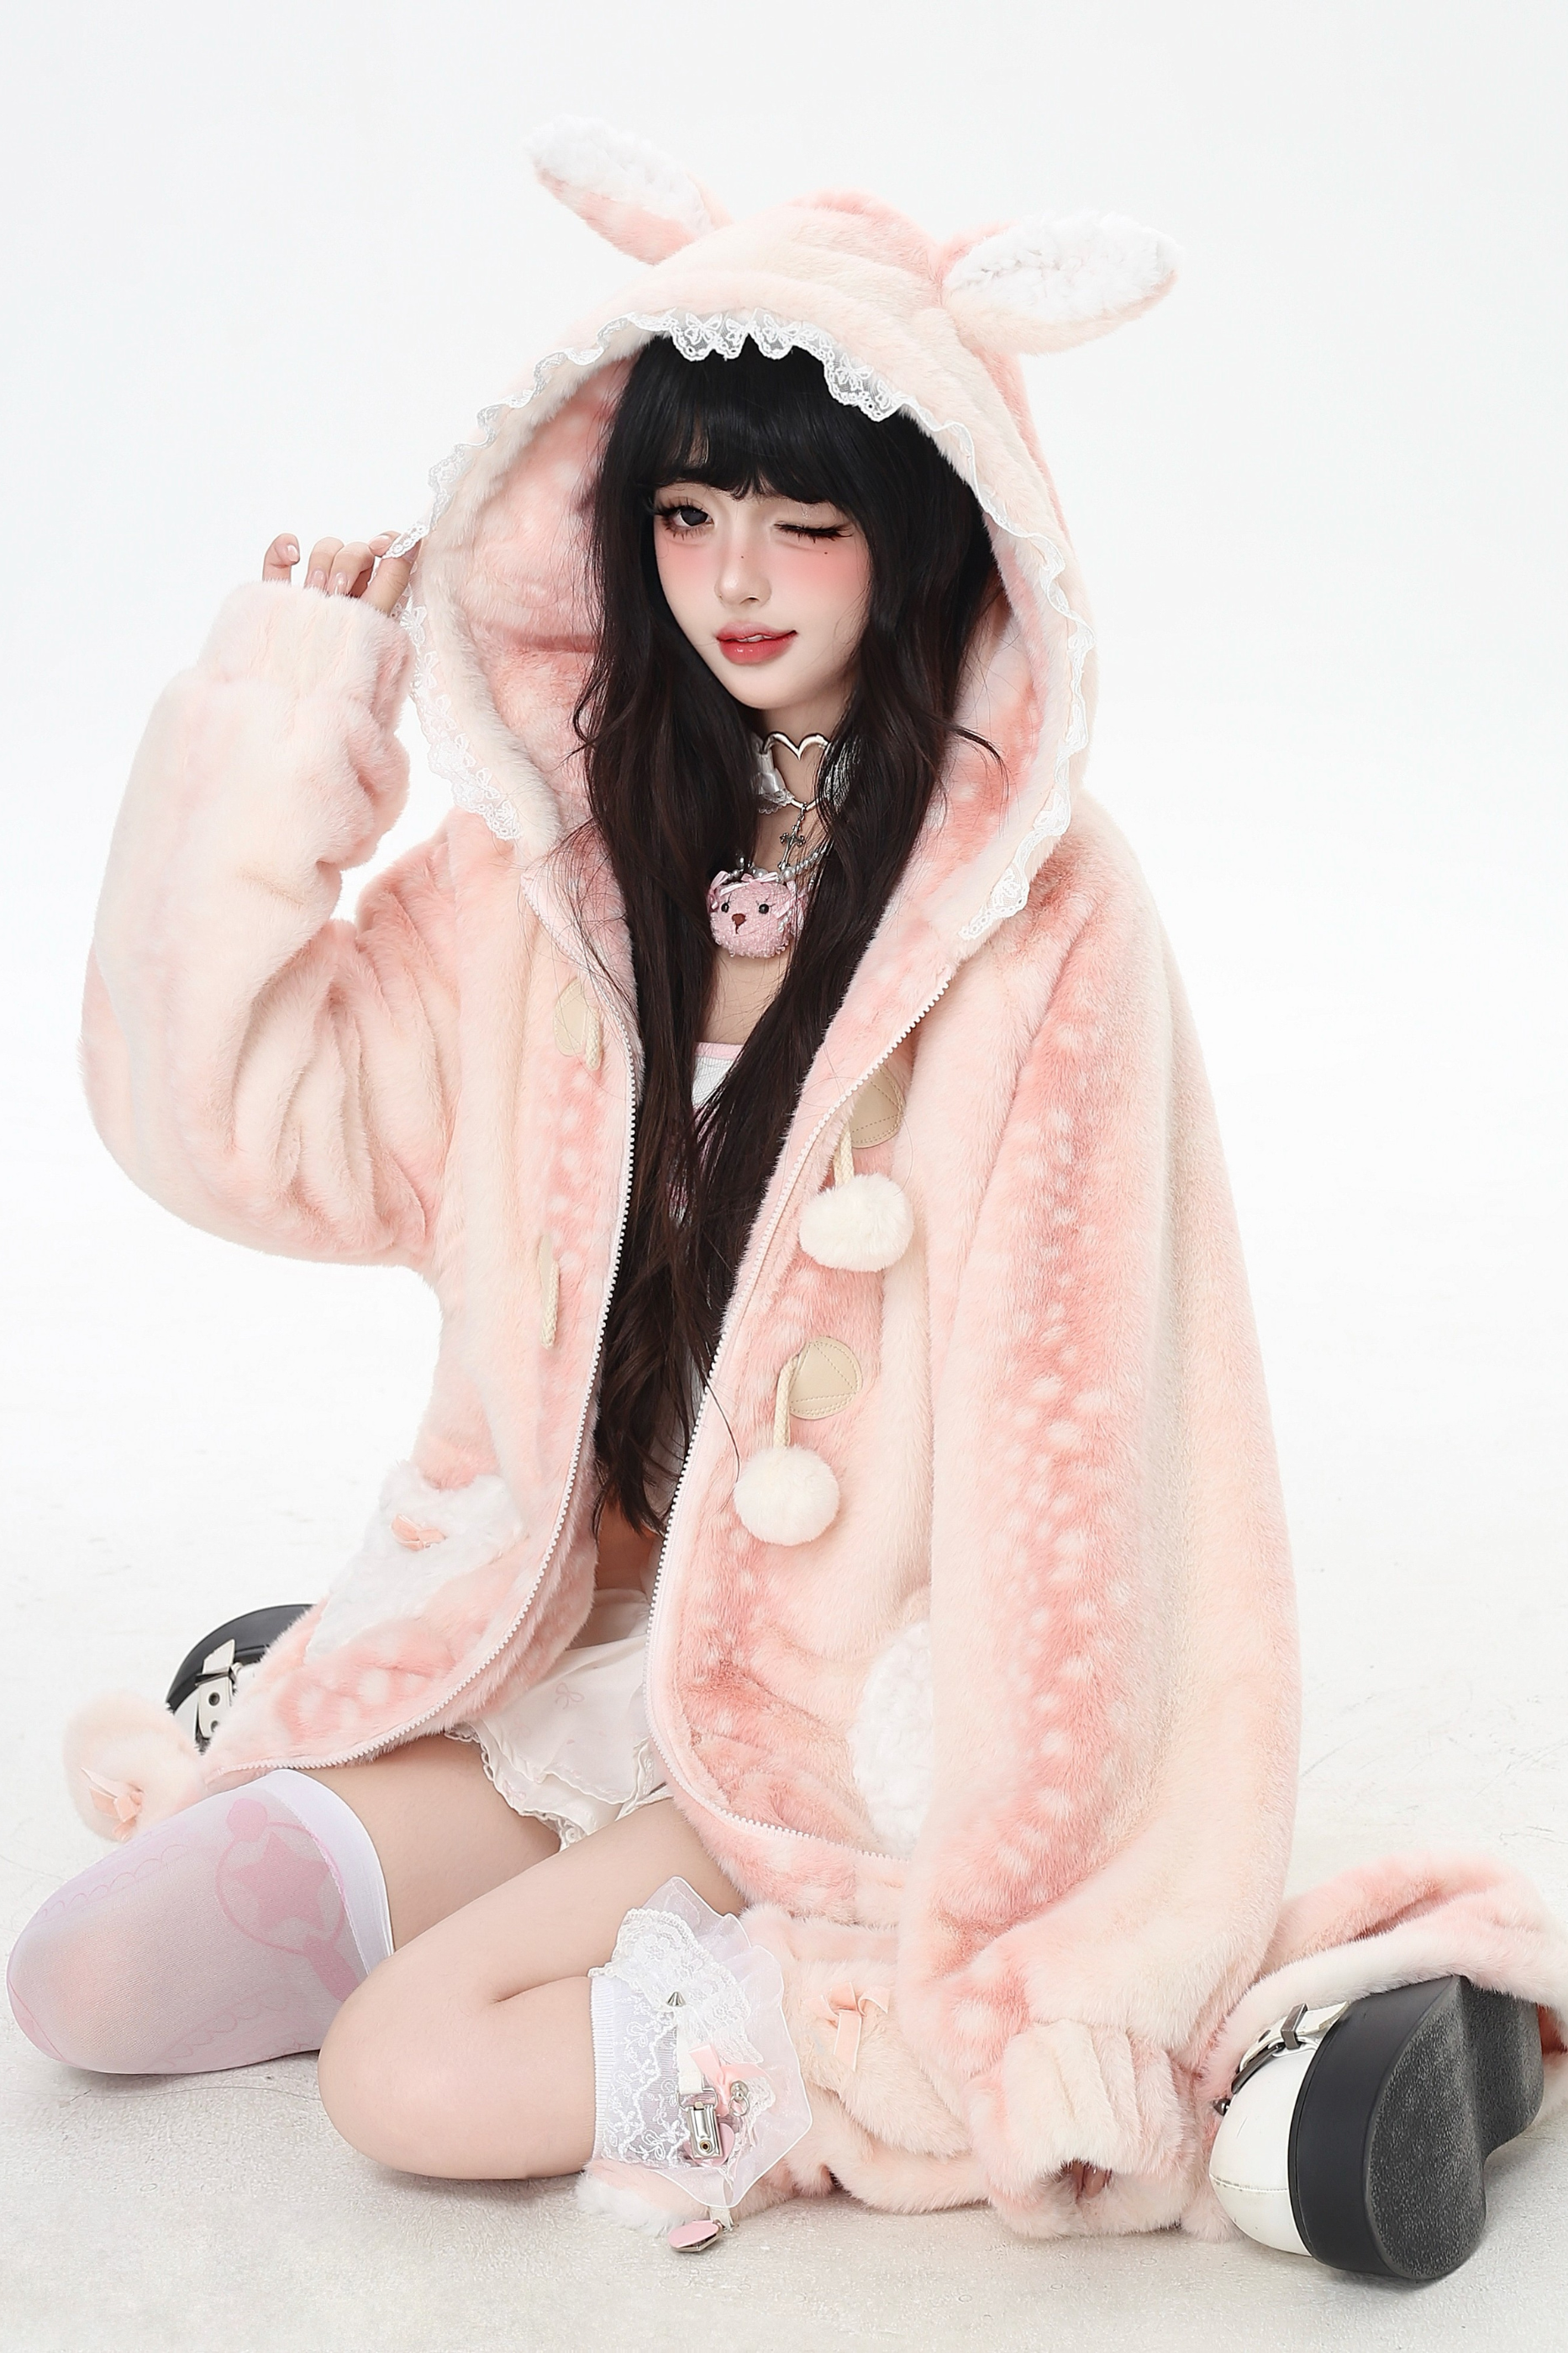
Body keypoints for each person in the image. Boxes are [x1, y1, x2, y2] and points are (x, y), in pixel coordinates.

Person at [8, 122, 1562, 2273]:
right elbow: (235, 1122)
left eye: (801, 519)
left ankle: (1256, 2044)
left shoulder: (1038, 920)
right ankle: (378, 1705)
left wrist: (1048, 1902)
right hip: (572, 1644)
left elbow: (1083, 1434)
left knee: (405, 2077)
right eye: (686, 511)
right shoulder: (560, 863)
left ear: (915, 538)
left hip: (822, 1715)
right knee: (85, 1975)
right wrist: (282, 731)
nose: (734, 573)